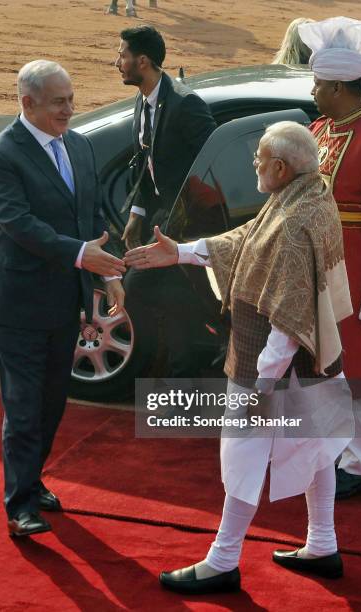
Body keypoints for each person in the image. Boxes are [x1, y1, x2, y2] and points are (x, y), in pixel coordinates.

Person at [125, 121, 354, 594]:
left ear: (280, 166)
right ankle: (323, 544)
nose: (253, 165)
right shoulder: (311, 195)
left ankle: (223, 560)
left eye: (258, 158)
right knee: (316, 450)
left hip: (271, 367)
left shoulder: (294, 218)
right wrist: (183, 253)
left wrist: (262, 382)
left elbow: (289, 318)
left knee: (243, 456)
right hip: (318, 362)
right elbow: (248, 238)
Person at [0, 60, 125, 537]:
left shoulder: (78, 146)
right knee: (23, 404)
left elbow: (92, 215)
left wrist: (109, 272)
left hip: (64, 297)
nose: (69, 109)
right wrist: (83, 256)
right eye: (59, 102)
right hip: (16, 302)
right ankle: (19, 505)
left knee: (52, 401)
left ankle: (32, 481)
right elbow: (20, 226)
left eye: (71, 99)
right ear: (28, 104)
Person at [299, 17, 361, 499]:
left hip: (354, 280)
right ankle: (339, 449)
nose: (312, 91)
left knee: (346, 373)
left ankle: (360, 461)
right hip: (321, 271)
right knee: (325, 371)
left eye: (317, 84)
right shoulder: (322, 127)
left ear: (337, 86)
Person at [116, 25, 217, 377]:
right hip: (163, 215)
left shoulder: (185, 104)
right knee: (165, 293)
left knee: (142, 284)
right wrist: (137, 213)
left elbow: (211, 159)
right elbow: (145, 160)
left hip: (192, 222)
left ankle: (195, 346)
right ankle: (185, 366)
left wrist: (187, 222)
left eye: (123, 55)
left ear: (142, 61)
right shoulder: (143, 100)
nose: (118, 62)